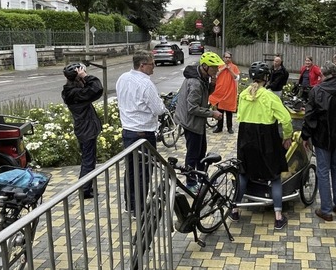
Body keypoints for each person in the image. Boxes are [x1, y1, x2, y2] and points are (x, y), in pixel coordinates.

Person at [231, 61, 293, 230]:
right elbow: (286, 119)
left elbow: (240, 117)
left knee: (243, 173)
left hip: (245, 138)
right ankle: (278, 217)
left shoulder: (243, 94)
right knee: (274, 176)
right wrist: (287, 136)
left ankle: (234, 209)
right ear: (266, 78)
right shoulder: (270, 96)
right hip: (266, 139)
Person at [301, 62, 336, 221]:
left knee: (323, 171)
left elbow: (310, 116)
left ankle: (326, 209)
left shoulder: (317, 91)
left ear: (323, 75)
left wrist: (305, 136)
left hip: (322, 137)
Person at [115, 51, 166, 214]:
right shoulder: (146, 84)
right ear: (142, 65)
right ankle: (139, 209)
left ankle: (129, 204)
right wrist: (163, 105)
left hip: (128, 131)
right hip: (143, 133)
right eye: (152, 64)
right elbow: (158, 109)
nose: (155, 67)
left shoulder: (123, 78)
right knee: (143, 173)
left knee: (130, 170)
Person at [175, 52, 224, 193]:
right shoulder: (196, 83)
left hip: (196, 122)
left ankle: (202, 178)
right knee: (193, 154)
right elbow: (192, 108)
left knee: (201, 152)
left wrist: (212, 86)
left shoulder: (201, 77)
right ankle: (191, 183)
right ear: (204, 66)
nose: (216, 70)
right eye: (214, 67)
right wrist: (212, 113)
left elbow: (203, 96)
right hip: (191, 123)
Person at [61, 63, 103, 199]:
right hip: (87, 130)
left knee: (87, 159)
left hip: (83, 128)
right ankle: (84, 189)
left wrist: (82, 78)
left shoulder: (70, 90)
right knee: (88, 161)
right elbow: (97, 88)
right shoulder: (76, 93)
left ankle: (85, 187)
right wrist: (85, 76)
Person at [209, 51, 240, 134]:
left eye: (229, 57)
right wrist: (223, 69)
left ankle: (230, 128)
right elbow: (214, 75)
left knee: (229, 111)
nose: (227, 59)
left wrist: (229, 70)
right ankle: (219, 127)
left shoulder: (234, 67)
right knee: (220, 111)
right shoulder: (219, 66)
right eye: (226, 57)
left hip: (230, 92)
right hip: (220, 92)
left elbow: (236, 78)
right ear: (223, 58)